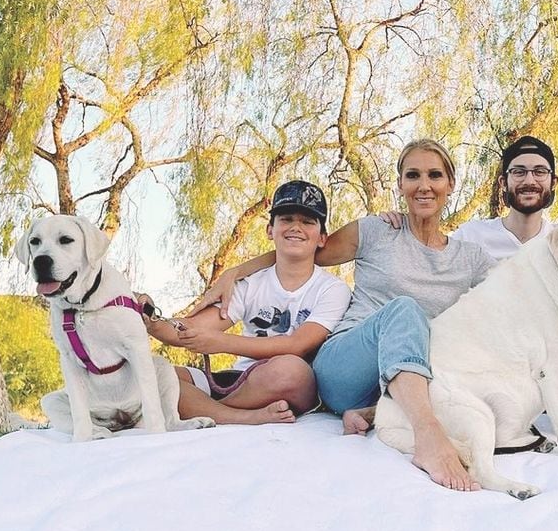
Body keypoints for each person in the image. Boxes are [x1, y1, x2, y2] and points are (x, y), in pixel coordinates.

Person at [192, 139, 494, 492]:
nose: (424, 185)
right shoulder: (376, 231)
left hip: (410, 379)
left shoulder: (471, 259)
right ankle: (428, 437)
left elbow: (513, 297)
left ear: (450, 184)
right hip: (346, 367)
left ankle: (372, 414)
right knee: (405, 309)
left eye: (434, 175)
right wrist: (235, 272)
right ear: (400, 185)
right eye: (413, 175)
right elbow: (302, 248)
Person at [383, 135, 558, 437]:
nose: (530, 179)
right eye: (519, 172)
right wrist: (400, 223)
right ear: (504, 182)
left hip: (555, 342)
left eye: (539, 172)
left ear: (553, 181)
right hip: (501, 348)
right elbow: (433, 273)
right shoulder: (473, 236)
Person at [146, 180, 352, 425]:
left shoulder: (333, 289)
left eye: (308, 222)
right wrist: (149, 319)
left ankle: (205, 408)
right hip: (238, 378)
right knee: (155, 374)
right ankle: (239, 416)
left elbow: (297, 345)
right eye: (286, 219)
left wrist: (221, 342)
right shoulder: (249, 283)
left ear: (321, 238)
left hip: (292, 382)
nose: (296, 227)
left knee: (290, 370)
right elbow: (192, 330)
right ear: (269, 230)